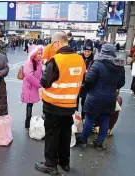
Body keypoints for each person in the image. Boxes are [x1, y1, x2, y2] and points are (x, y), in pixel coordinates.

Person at [35, 32, 86, 175]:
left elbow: (45, 82)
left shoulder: (56, 60)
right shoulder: (79, 59)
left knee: (52, 135)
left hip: (53, 105)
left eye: (52, 44)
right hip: (70, 105)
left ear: (57, 43)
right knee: (65, 134)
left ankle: (50, 165)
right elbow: (83, 80)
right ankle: (65, 162)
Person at [79, 43, 125, 150]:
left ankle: (84, 139)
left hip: (95, 96)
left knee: (89, 118)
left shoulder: (98, 64)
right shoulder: (120, 66)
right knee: (105, 119)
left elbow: (88, 79)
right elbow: (121, 83)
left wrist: (90, 89)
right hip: (110, 97)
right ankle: (99, 143)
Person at [21, 45, 44, 128]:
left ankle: (28, 122)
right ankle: (27, 122)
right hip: (30, 87)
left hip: (33, 86)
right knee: (29, 104)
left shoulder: (38, 63)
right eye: (37, 54)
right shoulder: (29, 63)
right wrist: (40, 84)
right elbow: (29, 76)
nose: (39, 55)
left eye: (40, 53)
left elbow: (40, 73)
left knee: (31, 104)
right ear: (33, 54)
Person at [76, 39, 94, 119]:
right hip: (77, 84)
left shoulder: (93, 60)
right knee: (75, 103)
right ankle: (75, 118)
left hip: (87, 85)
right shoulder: (78, 58)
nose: (86, 53)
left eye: (89, 51)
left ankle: (83, 118)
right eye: (85, 51)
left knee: (84, 103)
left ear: (92, 52)